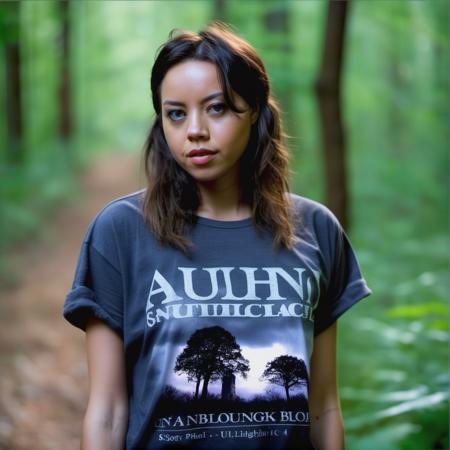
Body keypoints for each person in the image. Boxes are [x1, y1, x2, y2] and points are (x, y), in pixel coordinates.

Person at [63, 22, 371, 450]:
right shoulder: (120, 231)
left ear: (257, 112)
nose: (194, 131)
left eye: (218, 108)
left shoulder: (316, 230)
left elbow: (324, 407)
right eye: (176, 113)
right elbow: (108, 411)